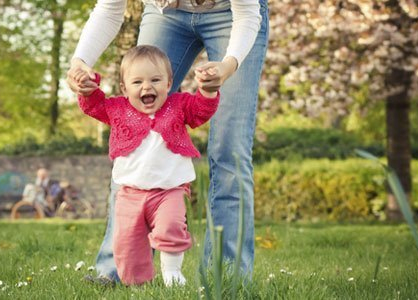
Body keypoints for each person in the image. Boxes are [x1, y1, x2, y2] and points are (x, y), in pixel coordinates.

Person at [67, 0, 269, 283]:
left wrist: (228, 65)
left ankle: (226, 275)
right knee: (132, 135)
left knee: (230, 150)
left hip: (233, 17)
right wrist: (80, 62)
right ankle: (116, 271)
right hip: (166, 17)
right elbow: (110, 8)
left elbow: (247, 14)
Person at [76, 45, 220, 286]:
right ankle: (138, 285)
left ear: (168, 83)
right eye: (137, 82)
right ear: (124, 88)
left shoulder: (179, 105)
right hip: (130, 194)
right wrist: (88, 87)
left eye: (155, 80)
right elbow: (94, 105)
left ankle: (172, 273)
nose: (147, 87)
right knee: (126, 243)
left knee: (171, 227)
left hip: (169, 190)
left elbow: (200, 111)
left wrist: (207, 91)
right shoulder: (118, 109)